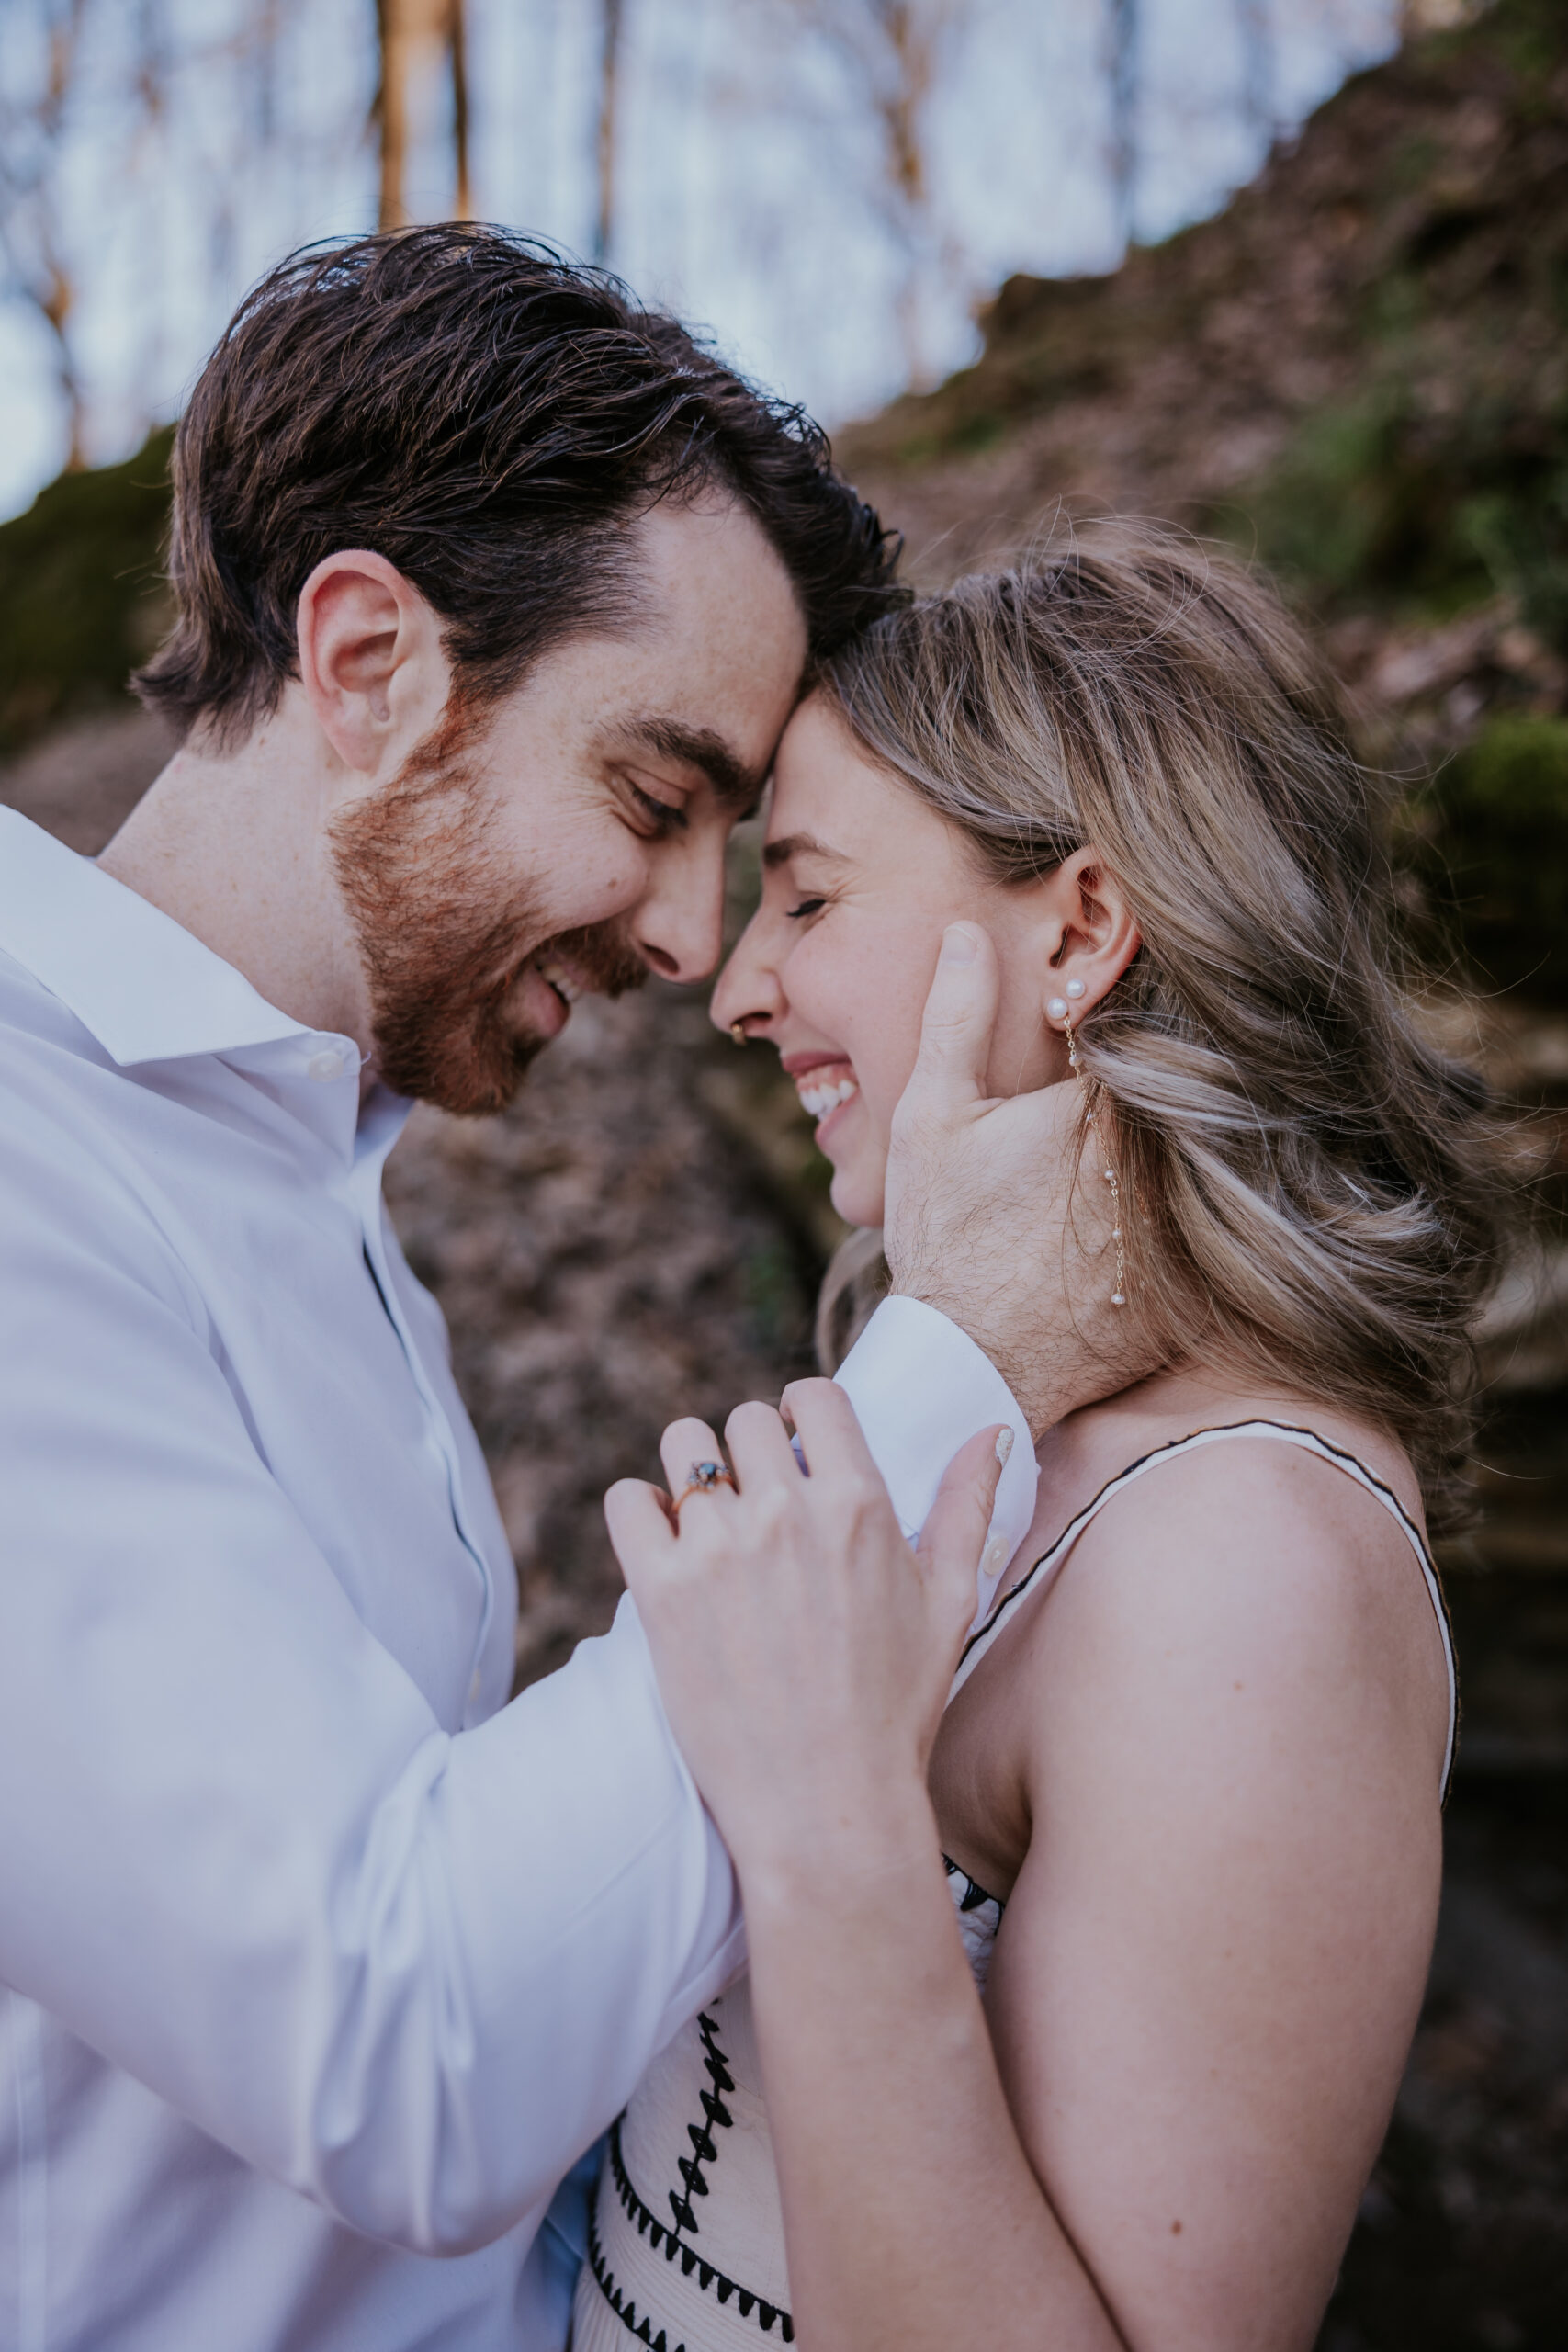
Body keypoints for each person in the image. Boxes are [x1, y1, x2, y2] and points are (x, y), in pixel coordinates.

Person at [0, 228, 1109, 2352]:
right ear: (366, 661)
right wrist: (960, 1359)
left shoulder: (295, 1170)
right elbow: (398, 2042)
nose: (695, 942)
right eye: (654, 794)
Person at [575, 534, 1514, 2352]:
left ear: (1078, 928)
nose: (736, 986)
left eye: (810, 898)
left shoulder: (1245, 1568)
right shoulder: (1009, 1435)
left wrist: (834, 1822)